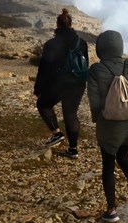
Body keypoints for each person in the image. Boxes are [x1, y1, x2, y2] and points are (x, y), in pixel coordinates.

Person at [87, 30, 128, 222]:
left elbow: (94, 101)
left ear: (101, 48)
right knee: (123, 155)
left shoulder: (96, 70)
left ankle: (111, 211)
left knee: (108, 166)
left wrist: (98, 119)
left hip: (111, 124)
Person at [33, 8, 89, 159]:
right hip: (77, 83)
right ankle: (73, 149)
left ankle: (57, 134)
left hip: (58, 83)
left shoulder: (51, 44)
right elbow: (84, 65)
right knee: (71, 114)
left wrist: (38, 87)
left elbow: (44, 69)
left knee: (43, 104)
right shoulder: (82, 43)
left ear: (57, 25)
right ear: (71, 24)